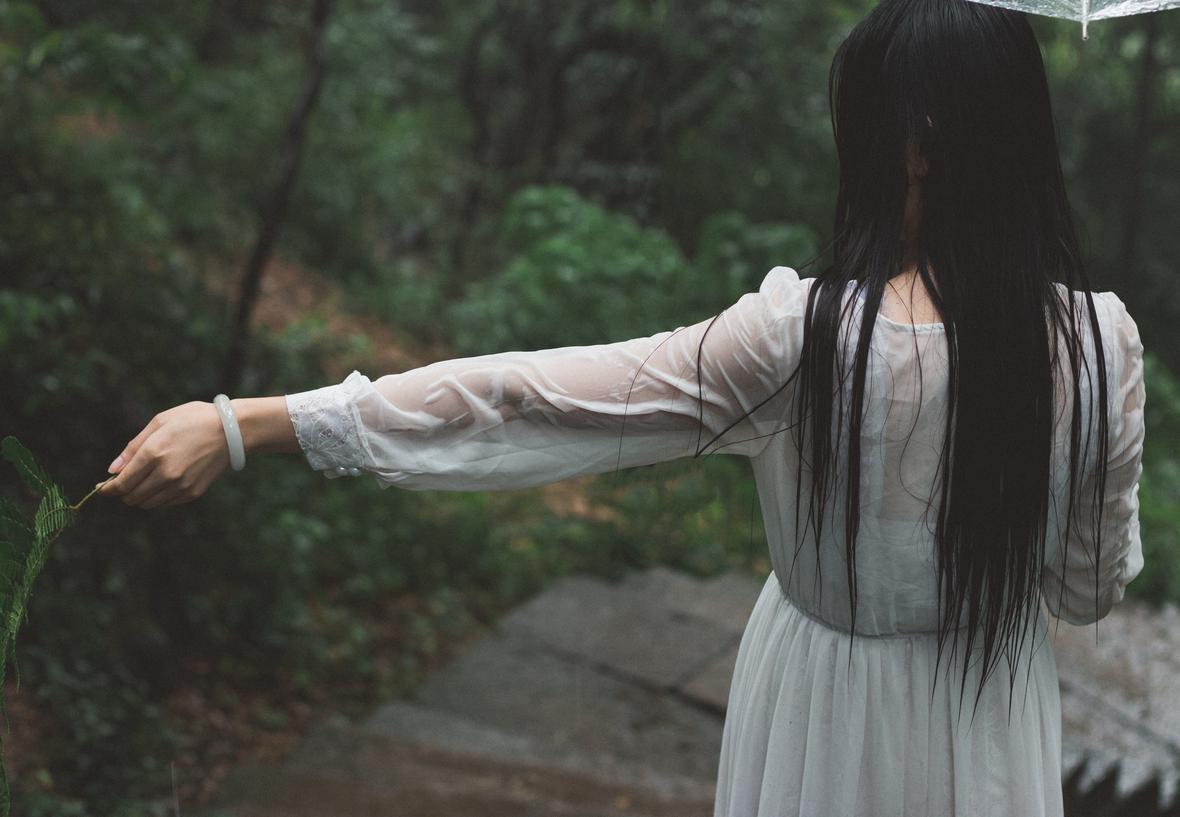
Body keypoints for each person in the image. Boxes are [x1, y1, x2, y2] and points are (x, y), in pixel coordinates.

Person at [96, 1, 1146, 815]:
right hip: (988, 713)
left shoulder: (806, 337)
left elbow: (531, 395)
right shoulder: (1100, 345)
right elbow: (1086, 587)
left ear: (915, 143)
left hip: (824, 711)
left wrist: (250, 423)